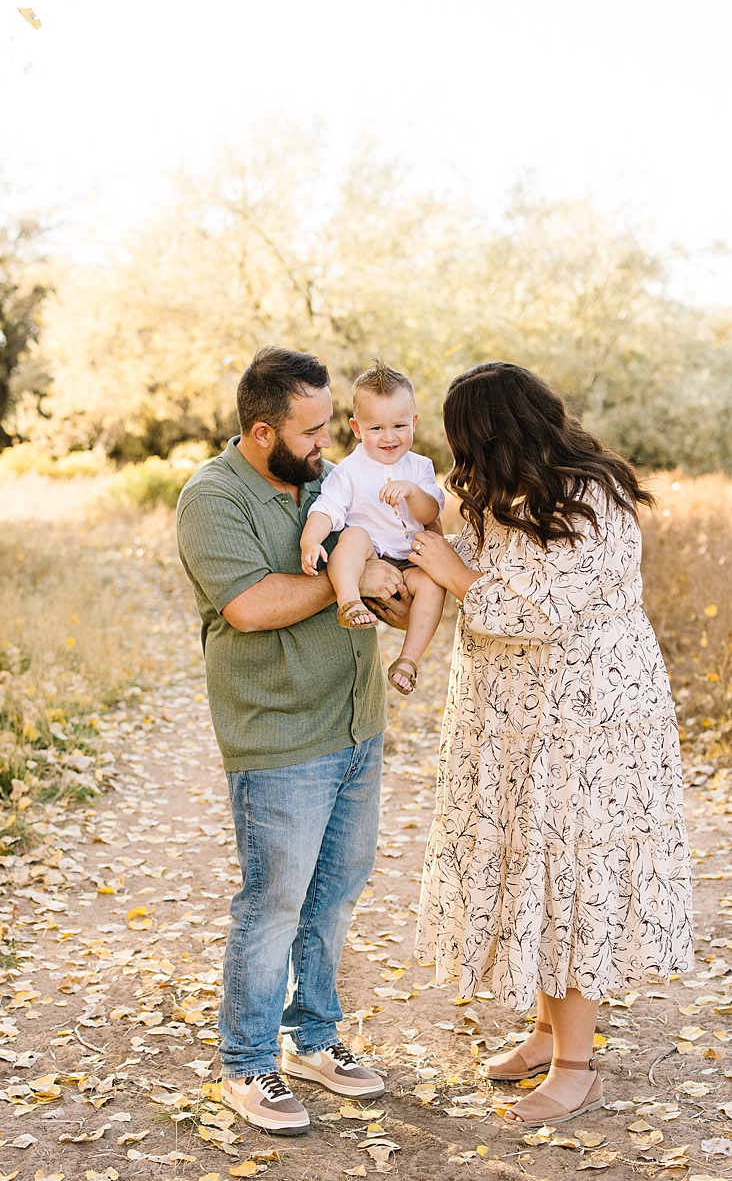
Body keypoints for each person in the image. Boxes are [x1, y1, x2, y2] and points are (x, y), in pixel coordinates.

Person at [409, 362, 692, 1126]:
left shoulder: (589, 495)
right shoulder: (501, 494)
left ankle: (576, 1065)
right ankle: (544, 1032)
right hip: (514, 722)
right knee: (531, 865)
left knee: (571, 871)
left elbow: (538, 611)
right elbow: (452, 563)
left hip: (587, 724)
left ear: (495, 431)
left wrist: (455, 574)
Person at [176, 346, 405, 1135]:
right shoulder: (211, 497)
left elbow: (388, 571)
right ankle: (246, 1064)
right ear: (263, 428)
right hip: (279, 737)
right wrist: (349, 582)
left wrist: (395, 587)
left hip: (355, 724)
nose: (327, 443)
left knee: (334, 896)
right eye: (311, 431)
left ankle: (314, 1039)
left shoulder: (329, 482)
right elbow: (249, 603)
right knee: (272, 902)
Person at [299, 360, 447, 696]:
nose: (389, 437)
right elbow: (327, 509)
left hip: (410, 562)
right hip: (370, 556)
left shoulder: (420, 467)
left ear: (414, 421)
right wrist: (311, 540)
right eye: (376, 428)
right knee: (352, 536)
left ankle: (408, 660)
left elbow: (431, 511)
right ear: (356, 428)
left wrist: (412, 490)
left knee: (432, 585)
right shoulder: (348, 472)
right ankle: (349, 601)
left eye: (398, 425)